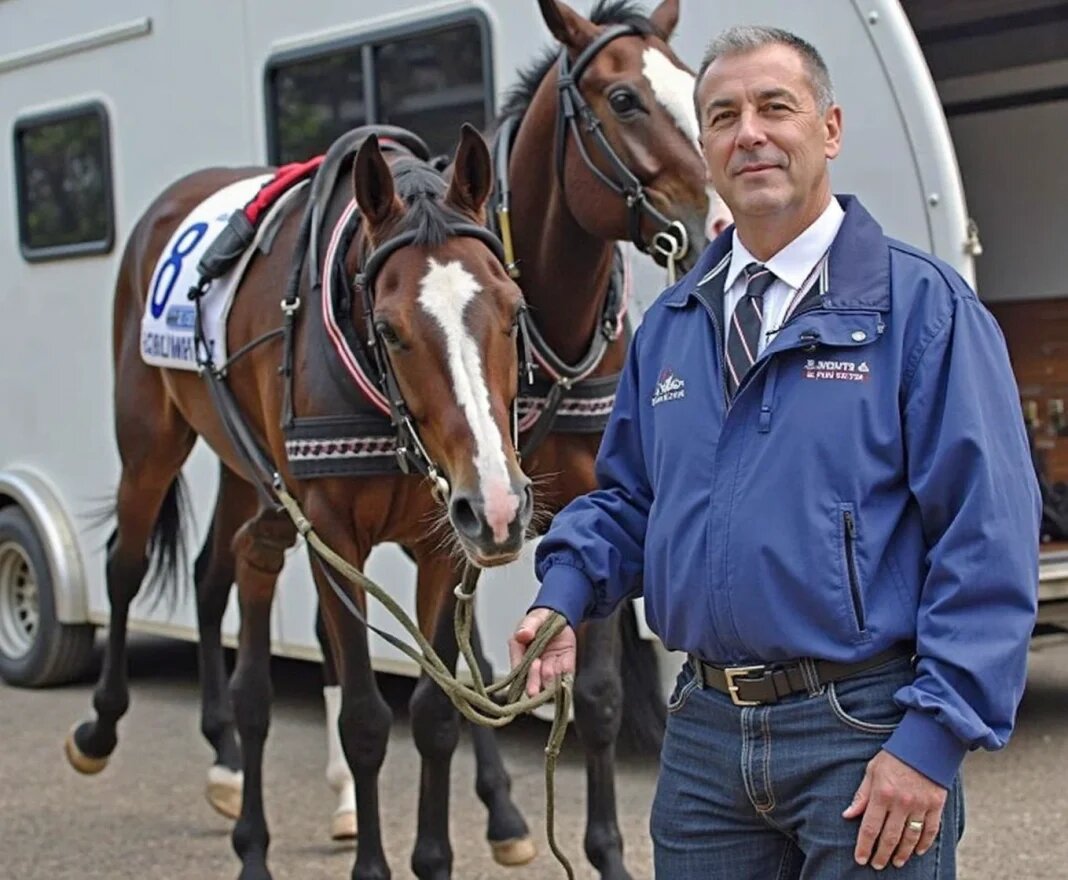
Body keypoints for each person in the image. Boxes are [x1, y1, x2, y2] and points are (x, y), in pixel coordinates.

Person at [509, 25, 1040, 879]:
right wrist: (563, 595)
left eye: (774, 108)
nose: (748, 132)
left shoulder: (921, 311)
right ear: (705, 148)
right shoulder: (672, 329)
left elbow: (985, 538)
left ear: (827, 130)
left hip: (865, 730)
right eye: (723, 116)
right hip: (706, 739)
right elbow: (632, 502)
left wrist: (932, 741)